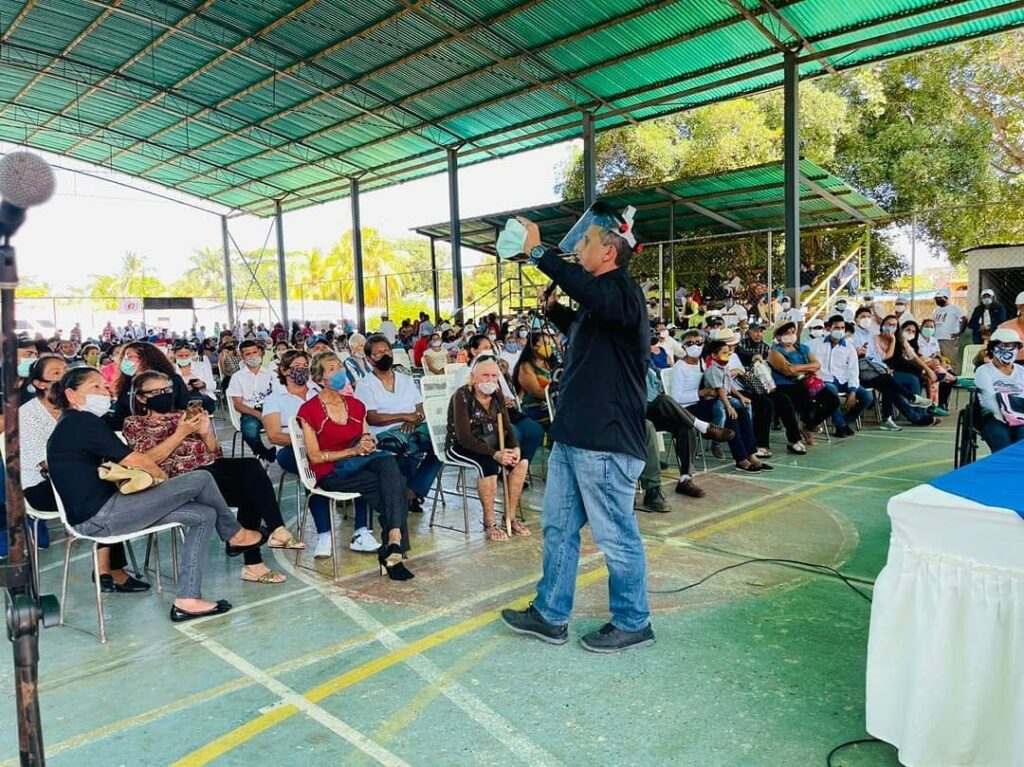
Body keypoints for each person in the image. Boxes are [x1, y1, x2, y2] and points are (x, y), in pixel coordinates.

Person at [500, 203, 656, 653]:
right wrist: (555, 311)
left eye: (585, 242)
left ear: (608, 251)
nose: (579, 249)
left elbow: (598, 301)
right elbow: (588, 320)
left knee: (616, 535)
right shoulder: (603, 304)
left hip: (604, 442)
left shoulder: (622, 291)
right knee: (558, 528)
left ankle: (633, 620)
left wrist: (539, 255)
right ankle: (550, 614)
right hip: (574, 437)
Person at [45, 367, 264, 622]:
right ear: (72, 394)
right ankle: (235, 535)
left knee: (204, 514)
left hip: (105, 510)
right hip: (102, 515)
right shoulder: (81, 421)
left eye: (104, 387)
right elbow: (137, 461)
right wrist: (171, 487)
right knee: (201, 478)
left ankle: (188, 600)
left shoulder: (74, 423)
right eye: (95, 387)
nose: (104, 392)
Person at [123, 371, 296, 584]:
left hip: (209, 471)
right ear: (141, 397)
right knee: (242, 490)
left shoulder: (181, 415)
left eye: (167, 390)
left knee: (250, 467)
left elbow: (214, 453)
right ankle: (253, 563)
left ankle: (276, 529)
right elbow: (146, 460)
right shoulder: (134, 424)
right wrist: (181, 433)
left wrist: (205, 433)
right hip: (178, 482)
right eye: (156, 392)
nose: (164, 395)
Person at [298, 356, 413, 580]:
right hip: (331, 471)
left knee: (390, 466)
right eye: (332, 368)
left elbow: (365, 435)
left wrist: (368, 441)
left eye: (339, 366)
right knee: (395, 485)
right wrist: (353, 451)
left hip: (360, 464)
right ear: (320, 379)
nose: (339, 371)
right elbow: (315, 457)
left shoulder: (356, 405)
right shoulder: (309, 410)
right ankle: (394, 550)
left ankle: (394, 542)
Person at [446, 359, 530, 541]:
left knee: (521, 463)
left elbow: (507, 426)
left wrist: (514, 447)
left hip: (491, 443)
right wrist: (495, 454)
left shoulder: (497, 394)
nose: (490, 380)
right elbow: (464, 438)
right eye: (485, 375)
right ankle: (489, 522)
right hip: (461, 445)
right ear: (473, 377)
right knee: (489, 466)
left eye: (494, 376)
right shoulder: (462, 396)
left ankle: (510, 517)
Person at [355, 334, 441, 513]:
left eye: (387, 350)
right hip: (383, 432)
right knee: (407, 448)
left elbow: (420, 408)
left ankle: (412, 491)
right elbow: (372, 417)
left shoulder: (406, 379)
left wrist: (415, 419)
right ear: (370, 359)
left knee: (441, 446)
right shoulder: (365, 384)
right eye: (378, 353)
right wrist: (405, 417)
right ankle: (402, 496)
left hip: (413, 427)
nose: (384, 355)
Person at [767, 321, 840, 444]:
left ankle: (809, 426)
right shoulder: (775, 351)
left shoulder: (802, 348)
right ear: (779, 336)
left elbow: (817, 365)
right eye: (786, 333)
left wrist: (798, 368)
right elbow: (788, 371)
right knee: (806, 399)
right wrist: (807, 368)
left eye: (792, 332)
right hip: (786, 385)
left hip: (808, 381)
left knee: (833, 401)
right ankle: (806, 430)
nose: (790, 335)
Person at [816, 316, 873, 438]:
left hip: (844, 380)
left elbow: (853, 370)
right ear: (828, 328)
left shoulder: (849, 347)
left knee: (867, 396)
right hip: (825, 380)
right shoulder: (816, 345)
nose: (840, 330)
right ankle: (841, 426)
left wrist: (852, 391)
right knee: (831, 391)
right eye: (836, 327)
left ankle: (843, 422)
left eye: (842, 328)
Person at [973, 329, 1024, 452]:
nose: (1008, 349)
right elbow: (988, 399)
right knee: (1002, 441)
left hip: (1020, 414)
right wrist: (1004, 418)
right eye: (1003, 345)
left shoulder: (1021, 371)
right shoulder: (983, 371)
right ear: (992, 348)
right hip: (993, 415)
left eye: (1012, 346)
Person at [226, 340, 277, 462]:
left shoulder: (271, 374)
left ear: (260, 352)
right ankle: (264, 453)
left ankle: (285, 453)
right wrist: (258, 415)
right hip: (250, 411)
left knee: (291, 425)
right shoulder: (237, 377)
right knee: (249, 429)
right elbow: (238, 405)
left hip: (271, 409)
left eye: (255, 352)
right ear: (242, 356)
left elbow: (278, 396)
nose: (253, 356)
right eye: (248, 354)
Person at [513, 330, 557, 425]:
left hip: (553, 411)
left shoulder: (551, 365)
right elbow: (536, 392)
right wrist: (559, 393)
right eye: (545, 343)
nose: (548, 347)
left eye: (549, 343)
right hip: (535, 415)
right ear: (534, 346)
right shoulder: (526, 367)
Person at [171, 340, 217, 411]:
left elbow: (213, 385)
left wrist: (203, 384)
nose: (183, 358)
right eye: (180, 356)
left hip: (201, 396)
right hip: (181, 400)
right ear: (174, 355)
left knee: (207, 401)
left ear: (192, 354)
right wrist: (182, 389)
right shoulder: (171, 369)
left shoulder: (201, 365)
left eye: (187, 355)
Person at [931, 289, 966, 371]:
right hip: (936, 339)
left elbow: (964, 319)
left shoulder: (954, 308)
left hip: (948, 339)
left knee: (950, 361)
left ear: (946, 298)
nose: (937, 300)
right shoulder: (937, 310)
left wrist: (959, 333)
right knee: (938, 361)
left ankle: (951, 378)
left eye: (940, 298)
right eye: (936, 298)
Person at [996, 291, 1024, 362]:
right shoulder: (1005, 327)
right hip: (1012, 363)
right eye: (1022, 307)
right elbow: (993, 347)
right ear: (1019, 308)